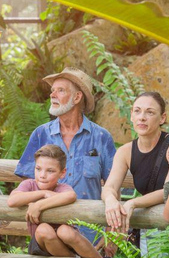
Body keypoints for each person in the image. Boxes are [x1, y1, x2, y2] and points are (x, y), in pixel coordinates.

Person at [15, 67, 115, 243]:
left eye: (60, 90)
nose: (53, 95)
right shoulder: (41, 134)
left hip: (91, 233)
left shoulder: (101, 137)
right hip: (48, 233)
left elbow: (113, 186)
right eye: (52, 90)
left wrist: (111, 235)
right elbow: (27, 183)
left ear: (77, 97)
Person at [7, 145, 102, 258]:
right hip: (41, 244)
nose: (42, 175)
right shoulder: (29, 185)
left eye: (50, 171)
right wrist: (43, 193)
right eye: (38, 169)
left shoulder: (62, 188)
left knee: (64, 231)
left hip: (66, 242)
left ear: (62, 173)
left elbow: (71, 195)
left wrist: (38, 205)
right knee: (43, 229)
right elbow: (12, 200)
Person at [102, 92, 169, 240]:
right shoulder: (125, 151)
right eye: (137, 111)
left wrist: (133, 203)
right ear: (131, 115)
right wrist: (110, 201)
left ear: (162, 118)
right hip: (149, 227)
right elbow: (110, 187)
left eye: (150, 112)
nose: (142, 117)